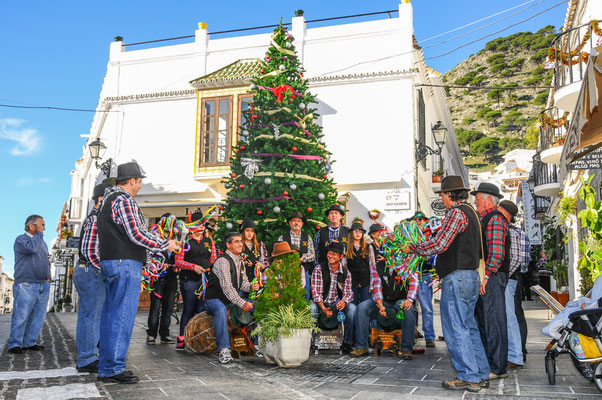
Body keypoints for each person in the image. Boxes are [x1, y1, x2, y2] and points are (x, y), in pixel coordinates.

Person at [403, 176, 487, 392]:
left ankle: (468, 376)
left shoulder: (456, 213)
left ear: (450, 195)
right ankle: (481, 373)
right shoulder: (473, 214)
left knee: (456, 328)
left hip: (457, 277)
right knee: (469, 327)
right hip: (470, 276)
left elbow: (440, 244)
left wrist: (413, 248)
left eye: (442, 193)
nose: (442, 197)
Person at [97, 162, 179, 384]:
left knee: (111, 315)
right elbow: (137, 234)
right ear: (131, 181)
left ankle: (106, 366)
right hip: (124, 263)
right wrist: (165, 244)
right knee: (122, 316)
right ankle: (113, 367)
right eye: (140, 182)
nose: (141, 186)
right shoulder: (123, 200)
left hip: (112, 262)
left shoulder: (106, 201)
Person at [472, 182, 510, 381]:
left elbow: (495, 252)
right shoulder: (487, 218)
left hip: (492, 276)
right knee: (487, 321)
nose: (475, 201)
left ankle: (498, 367)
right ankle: (492, 364)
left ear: (488, 199)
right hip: (489, 275)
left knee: (493, 320)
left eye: (477, 198)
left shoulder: (494, 219)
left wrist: (486, 276)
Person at [205, 232, 259, 364]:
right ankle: (224, 349)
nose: (241, 244)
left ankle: (257, 345)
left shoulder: (240, 261)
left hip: (231, 300)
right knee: (221, 310)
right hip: (214, 300)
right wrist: (242, 303)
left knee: (259, 307)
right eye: (236, 241)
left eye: (241, 241)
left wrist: (252, 286)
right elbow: (227, 289)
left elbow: (243, 285)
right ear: (228, 245)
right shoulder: (223, 262)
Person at [73, 183, 111, 372]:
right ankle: (87, 359)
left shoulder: (95, 217)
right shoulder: (96, 218)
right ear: (100, 200)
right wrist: (104, 270)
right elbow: (90, 250)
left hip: (88, 271)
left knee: (91, 315)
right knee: (92, 316)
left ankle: (88, 354)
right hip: (91, 272)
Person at [350, 259, 418, 360]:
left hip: (400, 300)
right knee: (362, 307)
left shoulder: (407, 263)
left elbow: (414, 283)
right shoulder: (377, 267)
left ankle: (406, 349)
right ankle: (361, 347)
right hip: (383, 300)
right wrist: (381, 306)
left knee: (408, 308)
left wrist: (409, 299)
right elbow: (377, 288)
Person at [7, 215, 52, 355]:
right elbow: (31, 249)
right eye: (41, 225)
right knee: (21, 315)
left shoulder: (41, 243)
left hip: (42, 284)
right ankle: (15, 343)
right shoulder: (22, 240)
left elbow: (45, 260)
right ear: (31, 226)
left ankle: (29, 342)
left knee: (37, 316)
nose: (44, 228)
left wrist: (48, 278)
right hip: (26, 284)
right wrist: (38, 235)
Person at [173, 212, 217, 350]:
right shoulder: (185, 242)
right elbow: (178, 261)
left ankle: (197, 338)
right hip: (189, 280)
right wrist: (193, 267)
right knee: (188, 309)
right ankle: (182, 338)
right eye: (198, 224)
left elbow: (214, 259)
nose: (201, 227)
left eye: (203, 224)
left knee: (201, 309)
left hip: (205, 281)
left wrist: (211, 268)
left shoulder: (209, 241)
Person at [498, 200, 530, 368]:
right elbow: (524, 261)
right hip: (515, 278)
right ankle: (517, 353)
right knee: (515, 316)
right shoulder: (519, 233)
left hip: (508, 279)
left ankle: (516, 356)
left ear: (503, 212)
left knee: (510, 318)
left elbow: (516, 259)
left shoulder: (511, 233)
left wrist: (502, 277)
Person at [310, 242, 356, 354]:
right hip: (322, 302)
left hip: (337, 303)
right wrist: (323, 308)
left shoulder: (346, 272)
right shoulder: (319, 268)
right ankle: (311, 343)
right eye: (329, 253)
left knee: (353, 309)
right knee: (311, 309)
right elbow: (316, 293)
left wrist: (344, 301)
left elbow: (349, 292)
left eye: (334, 254)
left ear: (341, 256)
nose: (330, 256)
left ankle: (347, 343)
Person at [542, 274, 602, 340]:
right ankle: (564, 337)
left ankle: (566, 339)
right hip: (595, 318)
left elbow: (594, 305)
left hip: (592, 321)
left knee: (570, 313)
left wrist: (587, 305)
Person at [411, 211, 436, 348]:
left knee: (426, 307)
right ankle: (413, 332)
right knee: (411, 306)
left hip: (425, 275)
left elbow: (432, 255)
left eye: (420, 219)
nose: (418, 222)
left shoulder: (430, 235)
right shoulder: (411, 236)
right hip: (411, 275)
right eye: (416, 220)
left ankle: (429, 336)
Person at [277, 211, 315, 299]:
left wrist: (302, 258)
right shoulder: (282, 238)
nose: (296, 223)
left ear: (302, 223)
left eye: (299, 221)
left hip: (303, 269)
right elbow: (278, 255)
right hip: (286, 271)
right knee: (286, 295)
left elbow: (312, 255)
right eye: (294, 220)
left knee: (304, 295)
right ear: (290, 223)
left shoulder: (307, 237)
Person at [346, 222, 373, 305]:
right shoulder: (346, 247)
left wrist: (372, 284)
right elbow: (344, 267)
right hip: (352, 283)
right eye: (355, 231)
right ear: (351, 233)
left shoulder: (368, 246)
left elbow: (372, 266)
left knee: (365, 306)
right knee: (352, 306)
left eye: (360, 231)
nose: (358, 234)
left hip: (365, 282)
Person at [239, 218, 268, 293]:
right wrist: (244, 263)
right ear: (243, 232)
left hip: (257, 282)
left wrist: (262, 266)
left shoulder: (259, 244)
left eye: (252, 231)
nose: (250, 233)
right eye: (247, 231)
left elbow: (265, 262)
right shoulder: (239, 244)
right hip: (242, 282)